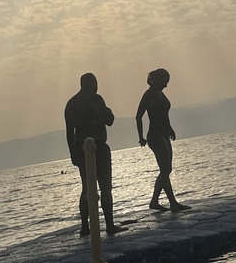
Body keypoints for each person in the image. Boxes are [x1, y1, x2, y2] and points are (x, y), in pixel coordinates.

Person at [65, 73, 126, 237]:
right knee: (105, 187)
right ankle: (110, 225)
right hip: (97, 146)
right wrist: (107, 111)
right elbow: (109, 120)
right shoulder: (96, 99)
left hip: (80, 148)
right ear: (91, 84)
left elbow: (69, 133)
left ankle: (85, 227)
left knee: (86, 187)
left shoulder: (71, 104)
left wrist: (73, 154)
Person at [135, 68, 190, 212]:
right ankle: (173, 203)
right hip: (155, 135)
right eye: (165, 82)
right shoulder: (148, 95)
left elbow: (163, 114)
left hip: (165, 133)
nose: (166, 85)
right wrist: (140, 136)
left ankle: (154, 201)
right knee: (165, 169)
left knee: (167, 169)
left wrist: (170, 128)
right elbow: (138, 116)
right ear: (158, 80)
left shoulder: (160, 93)